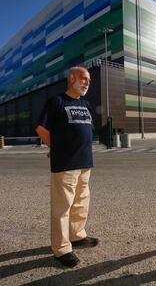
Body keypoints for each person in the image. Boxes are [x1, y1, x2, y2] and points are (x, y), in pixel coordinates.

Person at [35, 66, 98, 267]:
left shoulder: (86, 104)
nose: (87, 82)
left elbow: (85, 131)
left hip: (85, 163)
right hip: (65, 164)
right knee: (62, 208)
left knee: (81, 203)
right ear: (72, 78)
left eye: (89, 80)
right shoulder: (57, 101)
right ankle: (61, 248)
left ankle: (77, 235)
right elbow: (41, 128)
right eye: (84, 78)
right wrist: (57, 147)